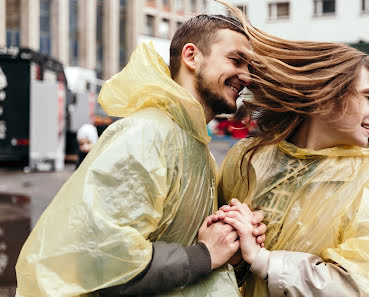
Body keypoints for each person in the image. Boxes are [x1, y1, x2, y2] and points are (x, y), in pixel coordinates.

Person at [15, 15, 266, 297]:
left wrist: (231, 241)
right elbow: (104, 259)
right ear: (191, 56)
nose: (246, 76)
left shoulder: (196, 147)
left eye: (249, 67)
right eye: (235, 60)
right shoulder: (147, 135)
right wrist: (205, 254)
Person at [217, 5, 369, 297]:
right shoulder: (248, 159)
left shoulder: (366, 182)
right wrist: (234, 251)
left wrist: (265, 261)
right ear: (324, 98)